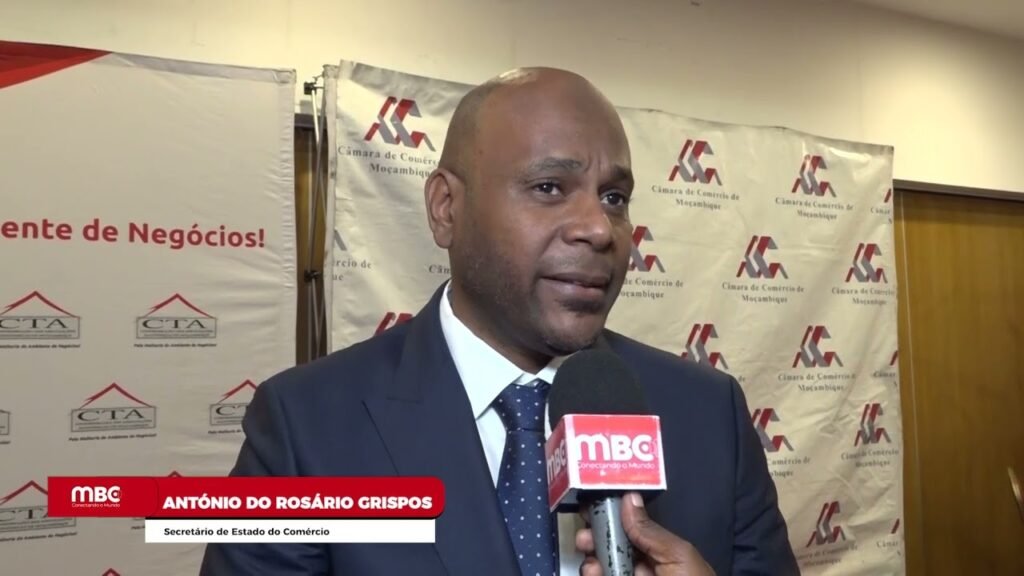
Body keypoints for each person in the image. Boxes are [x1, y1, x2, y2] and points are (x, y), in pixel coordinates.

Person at [200, 67, 799, 575]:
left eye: (614, 197)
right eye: (549, 187)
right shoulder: (306, 429)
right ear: (446, 209)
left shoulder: (708, 414)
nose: (598, 228)